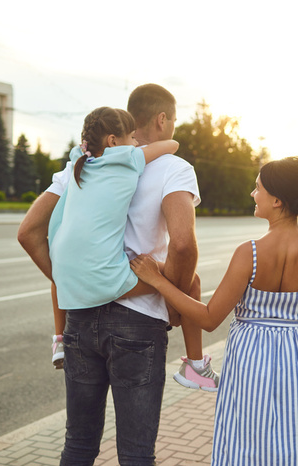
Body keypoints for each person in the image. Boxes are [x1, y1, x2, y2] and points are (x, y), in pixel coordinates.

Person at [17, 84, 216, 465]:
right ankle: (197, 366)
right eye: (173, 120)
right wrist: (172, 297)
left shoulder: (80, 164)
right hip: (138, 321)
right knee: (136, 453)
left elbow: (28, 232)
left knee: (78, 444)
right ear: (162, 119)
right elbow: (184, 245)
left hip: (79, 318)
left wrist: (69, 282)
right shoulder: (173, 167)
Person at [131, 156, 298, 465]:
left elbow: (210, 318)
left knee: (241, 444)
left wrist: (157, 280)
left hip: (249, 360)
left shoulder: (249, 253)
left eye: (258, 189)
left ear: (277, 200)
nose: (253, 194)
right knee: (295, 447)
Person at [46, 106, 177, 358]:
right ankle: (193, 360)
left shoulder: (78, 161)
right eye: (131, 137)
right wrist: (137, 149)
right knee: (179, 279)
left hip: (63, 273)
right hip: (103, 278)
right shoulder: (127, 159)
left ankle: (59, 340)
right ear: (113, 141)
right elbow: (172, 144)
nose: (136, 142)